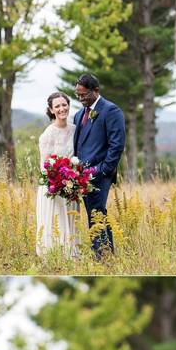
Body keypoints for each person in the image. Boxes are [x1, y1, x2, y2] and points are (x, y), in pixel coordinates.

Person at [72, 74, 126, 258]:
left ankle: (103, 255)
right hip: (81, 175)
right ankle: (103, 254)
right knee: (94, 213)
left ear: (96, 91)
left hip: (100, 174)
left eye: (84, 95)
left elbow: (116, 145)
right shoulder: (79, 114)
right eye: (77, 95)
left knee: (96, 213)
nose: (80, 99)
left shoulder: (111, 111)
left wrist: (103, 170)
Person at [36, 91, 79, 258]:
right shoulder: (48, 134)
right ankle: (54, 254)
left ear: (68, 105)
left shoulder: (75, 130)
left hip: (71, 185)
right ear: (51, 110)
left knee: (69, 218)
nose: (62, 108)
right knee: (55, 219)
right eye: (57, 106)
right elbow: (44, 165)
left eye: (64, 104)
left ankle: (71, 252)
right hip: (52, 185)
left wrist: (73, 179)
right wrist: (58, 181)